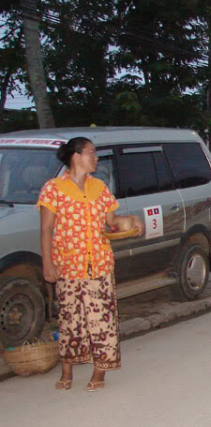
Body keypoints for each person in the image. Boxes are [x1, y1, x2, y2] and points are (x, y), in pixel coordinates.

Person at [37, 137, 144, 391]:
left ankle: (100, 372)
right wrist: (47, 264)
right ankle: (67, 371)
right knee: (70, 319)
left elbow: (112, 221)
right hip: (68, 265)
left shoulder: (99, 187)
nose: (96, 158)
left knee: (102, 320)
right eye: (91, 153)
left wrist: (132, 221)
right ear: (76, 156)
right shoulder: (53, 189)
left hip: (99, 264)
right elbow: (45, 229)